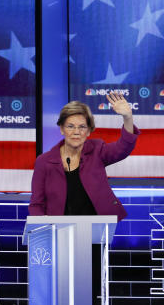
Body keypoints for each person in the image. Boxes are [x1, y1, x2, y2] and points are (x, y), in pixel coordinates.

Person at [29, 92, 138, 220]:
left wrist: (128, 118)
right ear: (61, 129)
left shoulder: (98, 151)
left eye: (82, 127)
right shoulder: (44, 161)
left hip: (97, 228)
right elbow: (36, 204)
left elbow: (123, 148)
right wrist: (45, 227)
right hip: (58, 231)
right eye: (70, 126)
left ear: (88, 131)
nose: (76, 132)